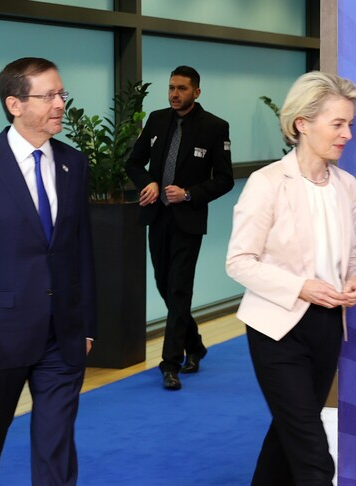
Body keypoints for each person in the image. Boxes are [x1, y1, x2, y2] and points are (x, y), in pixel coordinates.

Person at [0, 57, 96, 486]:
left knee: (56, 447)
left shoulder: (74, 164)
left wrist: (87, 326)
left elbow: (81, 250)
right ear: (15, 104)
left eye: (62, 94)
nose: (60, 104)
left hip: (62, 336)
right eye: (48, 96)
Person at [226, 71, 356, 485]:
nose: (347, 135)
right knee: (313, 457)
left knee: (287, 437)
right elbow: (239, 261)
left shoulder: (347, 186)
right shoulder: (267, 183)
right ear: (302, 124)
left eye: (349, 124)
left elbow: (350, 256)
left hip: (327, 327)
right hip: (277, 329)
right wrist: (301, 287)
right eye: (338, 124)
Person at [125, 65, 234, 390]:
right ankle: (195, 344)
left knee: (178, 290)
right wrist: (149, 182)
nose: (175, 94)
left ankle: (170, 364)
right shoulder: (157, 120)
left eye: (182, 88)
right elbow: (134, 162)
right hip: (157, 216)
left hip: (188, 221)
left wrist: (188, 194)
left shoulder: (214, 127)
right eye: (172, 87)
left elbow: (225, 179)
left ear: (196, 92)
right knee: (164, 285)